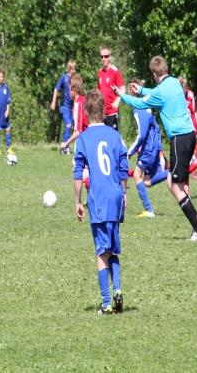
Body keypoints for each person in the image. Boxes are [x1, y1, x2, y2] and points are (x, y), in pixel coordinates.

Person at [115, 56, 197, 241]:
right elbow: (157, 92)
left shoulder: (160, 91)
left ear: (155, 74)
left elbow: (140, 103)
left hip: (178, 139)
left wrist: (122, 95)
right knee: (178, 184)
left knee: (172, 185)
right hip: (190, 136)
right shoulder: (174, 83)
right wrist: (141, 89)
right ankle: (196, 223)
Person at [73, 89, 128, 315]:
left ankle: (106, 303)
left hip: (98, 199)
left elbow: (78, 173)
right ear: (104, 111)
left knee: (100, 253)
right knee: (112, 250)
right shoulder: (115, 135)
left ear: (86, 113)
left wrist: (77, 201)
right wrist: (124, 193)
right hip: (115, 196)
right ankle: (117, 290)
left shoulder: (83, 138)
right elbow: (124, 167)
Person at [128, 103, 168, 218]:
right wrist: (159, 148)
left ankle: (149, 210)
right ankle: (171, 173)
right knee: (147, 182)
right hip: (153, 147)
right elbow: (156, 129)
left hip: (149, 149)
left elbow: (141, 135)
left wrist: (129, 152)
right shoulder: (147, 109)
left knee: (136, 175)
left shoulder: (139, 110)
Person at [51, 60, 77, 154]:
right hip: (64, 107)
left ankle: (66, 144)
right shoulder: (64, 78)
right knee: (68, 125)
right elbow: (56, 89)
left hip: (72, 108)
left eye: (75, 68)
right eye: (73, 68)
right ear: (69, 69)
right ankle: (64, 147)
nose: (75, 70)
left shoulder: (75, 80)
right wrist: (53, 102)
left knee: (74, 127)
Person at [97, 46, 125, 131]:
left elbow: (123, 89)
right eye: (101, 56)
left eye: (106, 56)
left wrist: (118, 100)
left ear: (110, 57)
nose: (103, 58)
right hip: (102, 112)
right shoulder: (100, 72)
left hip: (112, 112)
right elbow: (99, 90)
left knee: (113, 138)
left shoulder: (115, 72)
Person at [60, 73, 88, 151]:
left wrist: (66, 143)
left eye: (69, 90)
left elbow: (78, 131)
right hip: (90, 139)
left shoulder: (78, 104)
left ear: (74, 90)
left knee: (77, 162)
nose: (69, 92)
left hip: (84, 142)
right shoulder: (84, 99)